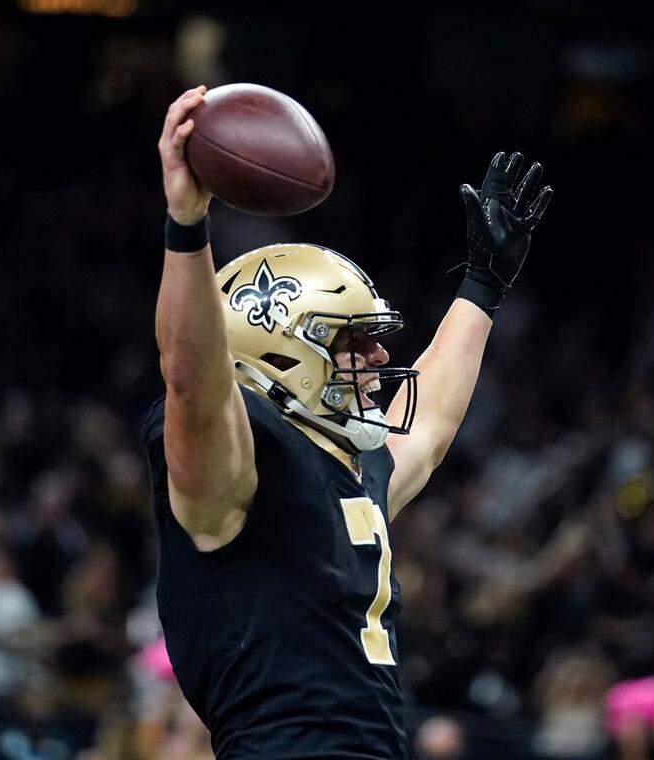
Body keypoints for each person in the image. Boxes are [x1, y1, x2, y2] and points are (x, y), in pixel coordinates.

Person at [142, 85, 552, 758]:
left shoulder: (346, 467)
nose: (379, 355)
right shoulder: (235, 460)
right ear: (281, 350)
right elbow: (192, 375)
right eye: (351, 341)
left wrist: (483, 285)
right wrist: (186, 224)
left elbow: (429, 426)